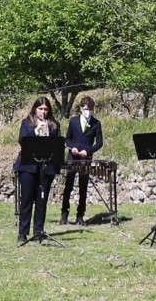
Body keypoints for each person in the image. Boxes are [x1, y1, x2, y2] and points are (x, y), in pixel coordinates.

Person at [16, 97, 61, 243]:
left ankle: (39, 231)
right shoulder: (27, 123)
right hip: (28, 167)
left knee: (42, 200)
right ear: (35, 109)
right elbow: (22, 140)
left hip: (46, 168)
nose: (43, 112)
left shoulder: (54, 125)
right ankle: (23, 233)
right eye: (40, 108)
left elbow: (58, 144)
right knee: (27, 200)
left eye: (46, 109)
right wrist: (36, 131)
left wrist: (48, 132)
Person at [60, 96, 103, 226]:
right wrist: (72, 147)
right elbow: (68, 139)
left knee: (83, 186)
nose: (87, 111)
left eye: (90, 109)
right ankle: (64, 213)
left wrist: (89, 151)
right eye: (85, 109)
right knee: (69, 185)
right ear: (80, 109)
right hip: (73, 157)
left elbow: (99, 143)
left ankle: (80, 215)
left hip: (86, 158)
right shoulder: (73, 121)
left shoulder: (96, 123)